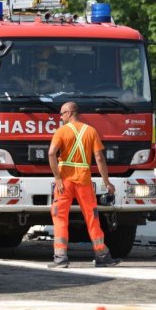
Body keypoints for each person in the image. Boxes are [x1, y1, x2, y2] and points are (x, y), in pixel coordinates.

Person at [47, 102, 120, 268]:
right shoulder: (91, 131)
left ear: (69, 113)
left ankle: (60, 257)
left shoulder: (61, 131)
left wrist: (57, 177)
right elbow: (99, 158)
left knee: (60, 217)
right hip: (84, 181)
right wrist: (107, 182)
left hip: (64, 182)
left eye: (62, 113)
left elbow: (51, 153)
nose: (60, 117)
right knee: (92, 217)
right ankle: (102, 255)